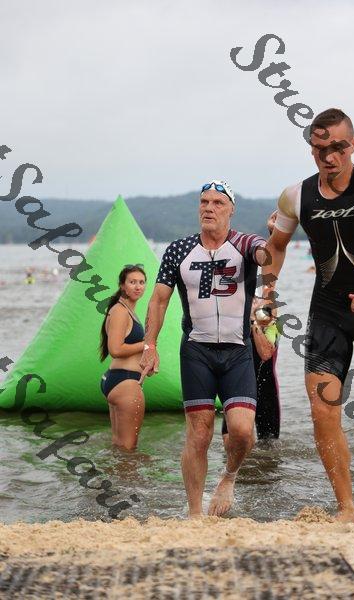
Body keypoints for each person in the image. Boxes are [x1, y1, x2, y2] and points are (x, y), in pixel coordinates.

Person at [266, 108, 354, 524]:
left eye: (339, 147)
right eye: (320, 148)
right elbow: (277, 245)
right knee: (323, 409)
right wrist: (266, 294)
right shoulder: (296, 196)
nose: (329, 156)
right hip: (327, 314)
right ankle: (347, 509)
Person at [139, 180, 268, 517]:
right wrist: (150, 344)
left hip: (238, 351)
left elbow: (267, 255)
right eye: (204, 202)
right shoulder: (179, 250)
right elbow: (158, 300)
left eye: (218, 203)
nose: (209, 208)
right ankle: (195, 513)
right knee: (199, 434)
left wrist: (278, 237)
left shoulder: (245, 244)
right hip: (197, 351)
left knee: (242, 431)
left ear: (231, 210)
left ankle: (229, 476)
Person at [99, 264, 147, 451]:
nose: (138, 286)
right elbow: (116, 349)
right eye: (132, 282)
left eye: (141, 282)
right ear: (122, 285)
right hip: (126, 383)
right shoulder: (120, 311)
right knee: (129, 449)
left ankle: (115, 472)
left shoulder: (127, 310)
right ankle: (127, 473)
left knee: (119, 447)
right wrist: (146, 345)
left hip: (119, 380)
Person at [221, 298, 280, 446]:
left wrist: (254, 322)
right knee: (232, 442)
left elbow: (265, 354)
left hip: (265, 390)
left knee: (269, 447)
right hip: (237, 386)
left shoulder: (270, 313)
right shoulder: (231, 311)